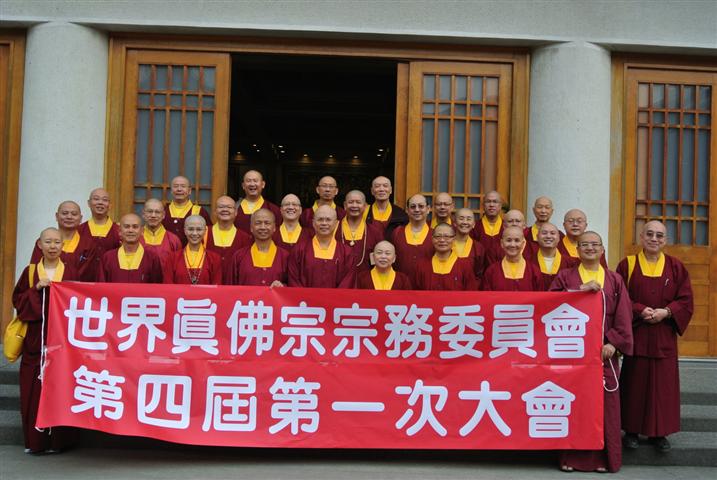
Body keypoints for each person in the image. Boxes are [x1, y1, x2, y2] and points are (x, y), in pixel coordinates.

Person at [550, 231, 633, 473]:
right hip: (572, 351)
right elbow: (549, 304)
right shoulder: (566, 276)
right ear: (577, 250)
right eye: (584, 244)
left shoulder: (614, 279)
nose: (590, 248)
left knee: (605, 407)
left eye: (595, 244)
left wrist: (614, 343)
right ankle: (570, 458)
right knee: (574, 403)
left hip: (603, 353)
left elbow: (624, 315)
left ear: (602, 249)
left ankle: (605, 459)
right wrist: (579, 290)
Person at [617, 220, 693, 452]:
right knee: (635, 384)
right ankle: (631, 431)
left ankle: (659, 434)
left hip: (663, 336)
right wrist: (639, 309)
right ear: (641, 237)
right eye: (649, 234)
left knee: (663, 387)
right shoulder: (628, 265)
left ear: (665, 240)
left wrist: (666, 312)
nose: (654, 239)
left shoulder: (676, 267)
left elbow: (686, 300)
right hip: (638, 334)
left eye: (659, 235)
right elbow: (619, 297)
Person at [13, 228, 79, 454]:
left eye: (57, 242)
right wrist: (36, 289)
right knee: (32, 391)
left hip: (62, 340)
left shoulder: (71, 270)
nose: (52, 246)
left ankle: (60, 442)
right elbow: (18, 302)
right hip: (36, 339)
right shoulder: (31, 271)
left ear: (63, 246)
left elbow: (80, 303)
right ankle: (35, 442)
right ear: (39, 245)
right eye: (48, 242)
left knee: (61, 389)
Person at [288, 205, 355, 288]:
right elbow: (294, 281)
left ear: (336, 223)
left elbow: (347, 284)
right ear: (313, 223)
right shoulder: (299, 250)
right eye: (320, 219)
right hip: (305, 297)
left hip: (336, 297)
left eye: (328, 220)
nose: (324, 223)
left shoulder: (346, 253)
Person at [30, 200, 97, 281]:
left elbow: (89, 274)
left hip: (76, 288)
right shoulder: (43, 242)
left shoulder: (88, 245)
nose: (69, 217)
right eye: (65, 213)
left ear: (80, 218)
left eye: (74, 214)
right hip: (45, 287)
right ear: (57, 216)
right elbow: (35, 269)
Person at [230, 208, 289, 287]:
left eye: (267, 223)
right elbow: (231, 288)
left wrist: (282, 286)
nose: (263, 227)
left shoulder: (284, 256)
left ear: (274, 227)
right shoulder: (239, 256)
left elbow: (292, 287)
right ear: (251, 228)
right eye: (258, 223)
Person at [98, 213, 163, 283]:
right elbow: (101, 287)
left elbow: (157, 287)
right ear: (119, 231)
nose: (130, 230)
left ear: (142, 231)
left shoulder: (152, 258)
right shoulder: (108, 258)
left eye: (135, 227)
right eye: (126, 227)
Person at [415, 223, 477, 290]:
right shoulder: (422, 265)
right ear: (432, 239)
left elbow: (471, 293)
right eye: (438, 236)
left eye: (447, 236)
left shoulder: (464, 266)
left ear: (454, 239)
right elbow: (415, 293)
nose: (442, 240)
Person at [204, 195, 251, 282]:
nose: (225, 210)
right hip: (209, 285)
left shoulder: (245, 238)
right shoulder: (204, 233)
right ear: (215, 211)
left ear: (236, 212)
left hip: (234, 286)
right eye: (221, 207)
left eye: (229, 207)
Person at [164, 215, 222, 285]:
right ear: (185, 230)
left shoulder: (214, 259)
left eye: (199, 229)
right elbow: (168, 286)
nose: (194, 233)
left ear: (205, 231)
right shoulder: (173, 258)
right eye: (190, 229)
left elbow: (216, 287)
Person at [390, 194, 434, 286]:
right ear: (407, 210)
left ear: (428, 209)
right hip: (401, 286)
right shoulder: (397, 233)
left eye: (421, 206)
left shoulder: (435, 234)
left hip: (427, 286)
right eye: (413, 207)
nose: (417, 210)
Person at [482, 226, 542, 291]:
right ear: (502, 243)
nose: (512, 245)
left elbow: (540, 296)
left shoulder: (534, 271)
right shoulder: (491, 271)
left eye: (517, 240)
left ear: (523, 244)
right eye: (508, 240)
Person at [336, 190, 382, 272]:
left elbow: (379, 262)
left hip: (365, 278)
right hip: (340, 278)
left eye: (358, 202)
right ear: (345, 205)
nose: (354, 205)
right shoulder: (334, 229)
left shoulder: (374, 232)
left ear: (365, 206)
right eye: (351, 202)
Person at [162, 175, 212, 245]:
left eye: (183, 186)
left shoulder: (200, 211)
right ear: (171, 191)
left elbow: (208, 236)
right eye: (176, 186)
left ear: (189, 191)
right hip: (167, 251)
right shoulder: (163, 211)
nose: (179, 189)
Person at [528, 222, 577, 291]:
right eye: (544, 233)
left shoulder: (571, 263)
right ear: (537, 237)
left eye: (552, 233)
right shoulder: (528, 261)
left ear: (559, 238)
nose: (548, 236)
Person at [77, 188, 121, 258]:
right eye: (96, 199)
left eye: (105, 200)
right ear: (89, 203)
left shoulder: (118, 230)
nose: (100, 202)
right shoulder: (79, 230)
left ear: (110, 205)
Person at [140, 198, 182, 269]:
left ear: (163, 215)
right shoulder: (135, 237)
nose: (153, 215)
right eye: (150, 211)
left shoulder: (173, 240)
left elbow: (178, 267)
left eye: (157, 212)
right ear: (143, 214)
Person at [453, 208, 486, 282]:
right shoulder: (446, 244)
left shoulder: (478, 248)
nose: (465, 222)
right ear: (454, 223)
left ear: (474, 224)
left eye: (468, 219)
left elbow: (479, 275)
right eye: (461, 219)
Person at [472, 190, 504, 265]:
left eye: (495, 202)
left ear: (500, 205)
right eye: (488, 201)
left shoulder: (506, 227)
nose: (491, 205)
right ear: (483, 205)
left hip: (502, 268)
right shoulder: (474, 227)